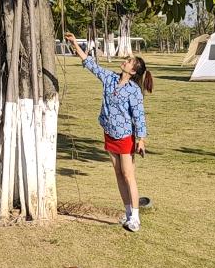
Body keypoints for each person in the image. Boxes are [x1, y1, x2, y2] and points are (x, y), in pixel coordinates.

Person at [64, 31, 151, 233]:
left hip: (125, 137)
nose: (125, 61)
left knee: (128, 175)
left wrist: (141, 139)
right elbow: (90, 64)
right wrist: (75, 43)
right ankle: (127, 213)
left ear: (133, 71)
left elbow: (139, 116)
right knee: (118, 174)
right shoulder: (110, 78)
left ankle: (135, 218)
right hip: (109, 133)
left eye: (129, 61)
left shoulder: (133, 91)